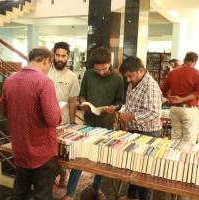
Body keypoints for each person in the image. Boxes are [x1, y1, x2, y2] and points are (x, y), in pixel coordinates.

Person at [62, 47, 124, 200]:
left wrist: (115, 107)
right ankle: (70, 193)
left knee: (101, 159)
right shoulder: (89, 74)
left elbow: (120, 101)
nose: (101, 72)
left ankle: (96, 188)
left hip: (107, 123)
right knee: (79, 156)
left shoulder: (117, 78)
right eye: (98, 70)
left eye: (104, 69)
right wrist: (83, 102)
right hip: (88, 121)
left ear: (110, 63)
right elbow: (82, 94)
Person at [2, 47, 62, 200]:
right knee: (42, 195)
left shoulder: (9, 81)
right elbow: (52, 119)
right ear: (46, 61)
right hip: (42, 150)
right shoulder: (44, 81)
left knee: (19, 192)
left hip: (20, 148)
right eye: (50, 65)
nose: (49, 68)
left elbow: (5, 112)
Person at [118, 57, 162, 200]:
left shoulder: (151, 86)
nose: (128, 80)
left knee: (145, 171)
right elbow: (131, 104)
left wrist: (130, 116)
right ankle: (132, 196)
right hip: (134, 130)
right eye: (126, 77)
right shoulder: (134, 82)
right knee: (134, 166)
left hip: (148, 132)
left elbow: (154, 113)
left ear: (141, 70)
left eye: (131, 76)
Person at [48, 42, 80, 187]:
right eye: (58, 55)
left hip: (64, 120)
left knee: (62, 151)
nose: (60, 58)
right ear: (53, 54)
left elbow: (73, 101)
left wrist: (73, 122)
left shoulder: (72, 77)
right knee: (49, 151)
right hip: (47, 120)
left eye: (63, 56)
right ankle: (52, 174)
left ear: (68, 57)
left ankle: (63, 173)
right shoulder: (45, 71)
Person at [161, 52, 199, 144]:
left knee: (175, 138)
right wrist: (182, 99)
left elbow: (162, 90)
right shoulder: (198, 74)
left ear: (184, 60)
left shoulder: (172, 73)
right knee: (189, 140)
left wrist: (170, 98)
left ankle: (172, 157)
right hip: (189, 110)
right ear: (195, 62)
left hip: (174, 109)